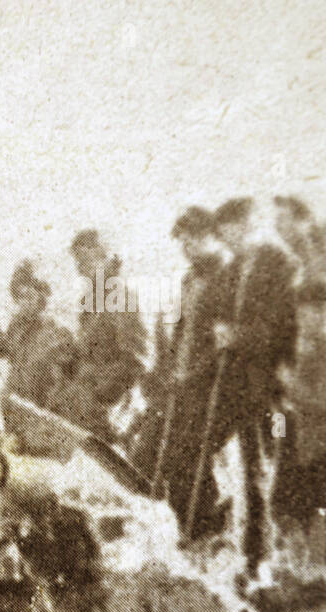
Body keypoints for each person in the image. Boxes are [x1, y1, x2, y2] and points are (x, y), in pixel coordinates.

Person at [207, 196, 299, 577]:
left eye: (231, 232)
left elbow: (283, 327)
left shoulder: (280, 265)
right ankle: (241, 549)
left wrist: (236, 336)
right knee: (238, 466)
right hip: (237, 388)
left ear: (249, 226)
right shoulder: (233, 269)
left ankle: (268, 558)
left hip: (273, 391)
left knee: (269, 470)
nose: (226, 242)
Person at [141, 206, 230, 537]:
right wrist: (167, 370)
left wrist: (193, 373)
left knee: (193, 460)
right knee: (159, 456)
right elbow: (179, 331)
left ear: (211, 236)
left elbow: (223, 342)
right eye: (182, 242)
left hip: (211, 386)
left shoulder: (227, 277)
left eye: (192, 240)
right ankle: (186, 529)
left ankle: (206, 531)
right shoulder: (189, 279)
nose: (186, 248)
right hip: (180, 385)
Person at [271, 195, 326, 559]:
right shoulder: (302, 343)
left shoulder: (322, 346)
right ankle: (303, 566)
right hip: (294, 430)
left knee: (314, 501)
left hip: (319, 438)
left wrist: (291, 389)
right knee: (287, 499)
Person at [55, 229, 149, 444]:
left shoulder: (121, 296)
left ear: (103, 257)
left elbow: (137, 360)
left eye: (84, 262)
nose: (79, 270)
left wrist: (99, 396)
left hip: (110, 413)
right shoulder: (93, 300)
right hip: (87, 407)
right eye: (77, 262)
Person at [0, 260, 73, 410]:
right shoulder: (16, 325)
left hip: (42, 409)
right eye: (19, 297)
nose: (23, 303)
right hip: (16, 404)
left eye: (28, 296)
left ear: (41, 298)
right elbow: (3, 349)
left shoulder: (56, 332)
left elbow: (63, 381)